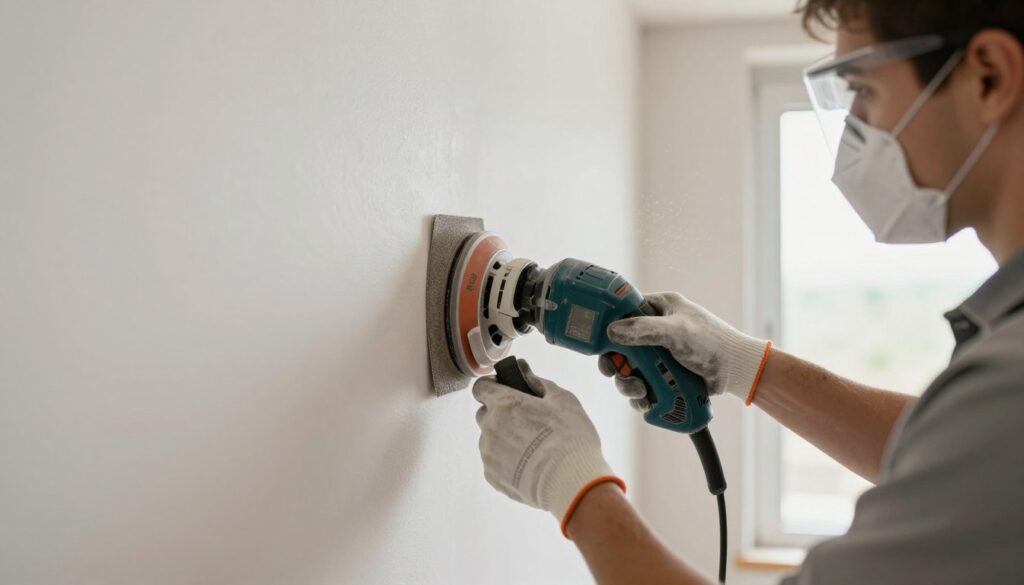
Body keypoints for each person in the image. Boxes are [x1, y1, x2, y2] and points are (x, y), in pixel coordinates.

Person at [472, 0, 1024, 583]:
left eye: (863, 90)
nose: (853, 131)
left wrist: (569, 479)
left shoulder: (1009, 387)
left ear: (988, 75)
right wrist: (739, 361)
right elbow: (945, 451)